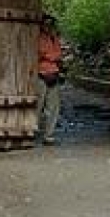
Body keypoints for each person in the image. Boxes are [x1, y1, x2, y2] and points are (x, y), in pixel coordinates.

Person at [36, 13, 63, 145]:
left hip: (54, 74)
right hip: (40, 74)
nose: (49, 26)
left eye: (51, 24)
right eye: (46, 24)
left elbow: (58, 55)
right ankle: (32, 131)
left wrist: (48, 56)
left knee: (53, 107)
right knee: (38, 106)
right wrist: (51, 56)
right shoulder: (37, 37)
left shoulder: (54, 38)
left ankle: (49, 135)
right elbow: (39, 52)